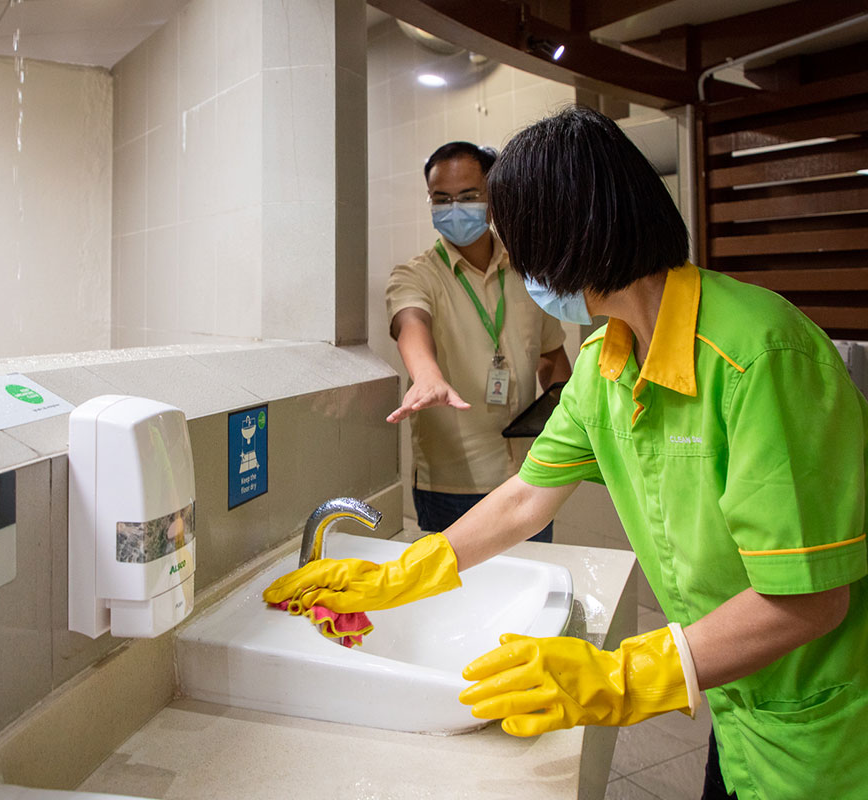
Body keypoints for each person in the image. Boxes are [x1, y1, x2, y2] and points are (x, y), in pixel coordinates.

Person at [265, 106, 868, 800]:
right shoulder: (603, 364)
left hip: (829, 733)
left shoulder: (759, 357)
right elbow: (527, 496)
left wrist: (627, 675)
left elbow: (811, 602)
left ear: (572, 231)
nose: (516, 259)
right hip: (737, 708)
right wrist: (409, 571)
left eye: (520, 236)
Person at [386, 141, 571, 542]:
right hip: (451, 484)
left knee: (532, 590)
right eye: (442, 198)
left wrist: (569, 411)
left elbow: (551, 355)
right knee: (455, 597)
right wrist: (426, 375)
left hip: (529, 475)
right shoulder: (415, 275)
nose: (455, 207)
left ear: (492, 198)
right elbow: (410, 321)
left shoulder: (528, 271)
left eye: (469, 196)